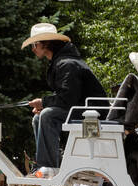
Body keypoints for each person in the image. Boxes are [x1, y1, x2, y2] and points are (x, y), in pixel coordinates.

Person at [23, 23, 105, 171]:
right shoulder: (62, 62)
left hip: (93, 113)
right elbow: (66, 96)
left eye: (35, 44)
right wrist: (45, 105)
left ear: (45, 44)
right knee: (39, 117)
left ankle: (49, 167)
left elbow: (68, 98)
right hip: (81, 109)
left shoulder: (67, 64)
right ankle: (47, 163)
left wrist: (43, 103)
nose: (33, 49)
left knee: (47, 115)